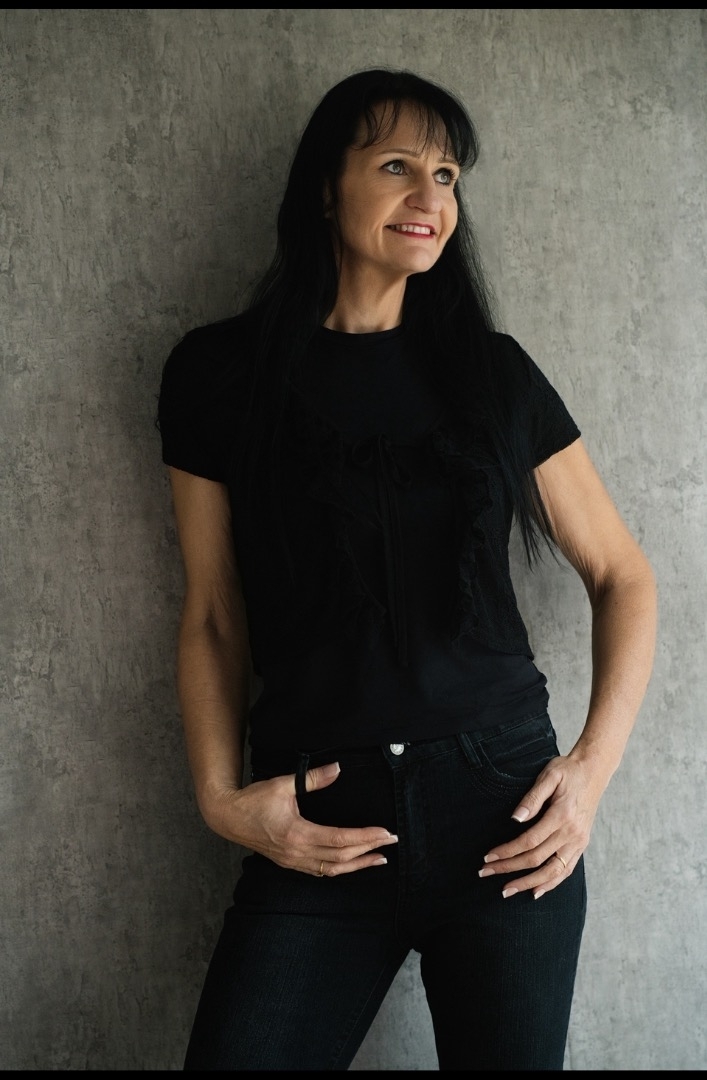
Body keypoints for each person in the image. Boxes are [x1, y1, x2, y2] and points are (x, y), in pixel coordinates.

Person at [156, 68, 657, 1071]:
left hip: (504, 812)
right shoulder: (217, 373)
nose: (430, 196)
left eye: (446, 174)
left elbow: (622, 577)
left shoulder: (494, 374)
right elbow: (213, 613)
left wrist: (588, 775)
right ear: (322, 188)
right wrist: (219, 799)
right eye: (396, 166)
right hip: (317, 820)